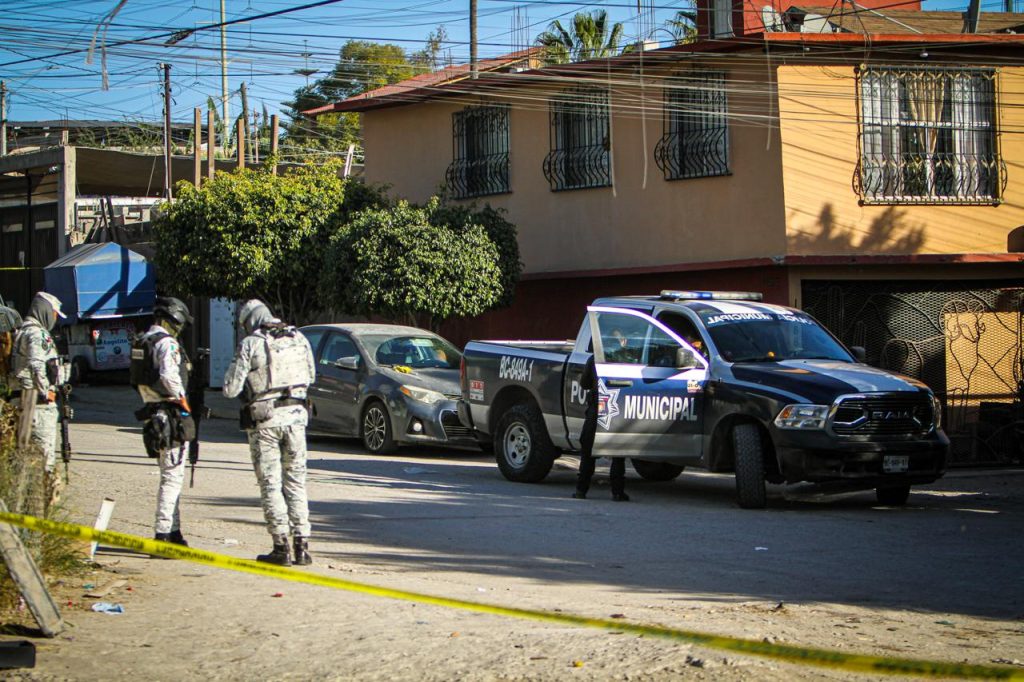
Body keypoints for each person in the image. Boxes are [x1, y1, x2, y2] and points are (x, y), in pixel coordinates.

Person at [223, 299, 316, 566]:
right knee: (296, 482)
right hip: (297, 418)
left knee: (271, 484)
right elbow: (310, 376)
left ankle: (281, 546)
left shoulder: (251, 343)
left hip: (265, 422)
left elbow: (230, 388)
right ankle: (302, 546)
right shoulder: (299, 337)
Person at [131, 296, 194, 546]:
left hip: (153, 413)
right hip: (170, 415)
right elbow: (169, 376)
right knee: (171, 477)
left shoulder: (143, 340)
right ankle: (163, 534)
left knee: (170, 474)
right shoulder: (167, 344)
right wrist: (183, 401)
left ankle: (174, 531)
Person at [12, 291, 67, 503]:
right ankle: (41, 512)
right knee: (46, 462)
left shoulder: (21, 331)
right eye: (54, 313)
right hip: (39, 406)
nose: (54, 318)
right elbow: (36, 365)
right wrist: (48, 392)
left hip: (24, 403)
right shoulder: (38, 334)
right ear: (45, 310)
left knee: (23, 459)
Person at [572, 355, 629, 502]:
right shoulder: (627, 358)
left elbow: (584, 384)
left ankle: (581, 490)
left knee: (588, 451)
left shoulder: (594, 359)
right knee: (618, 452)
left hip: (597, 407)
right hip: (617, 407)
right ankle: (618, 492)